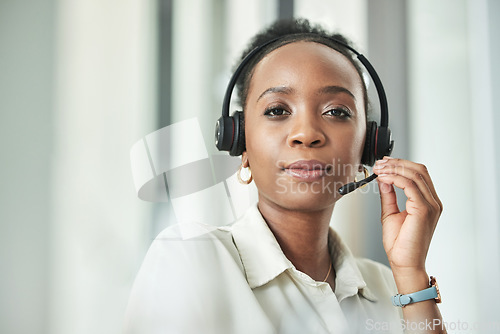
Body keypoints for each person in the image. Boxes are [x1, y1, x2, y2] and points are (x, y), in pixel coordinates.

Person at [124, 19, 446, 333]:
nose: (306, 134)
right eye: (277, 110)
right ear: (240, 142)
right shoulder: (190, 258)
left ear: (369, 145)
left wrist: (411, 273)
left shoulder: (391, 286)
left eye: (336, 111)